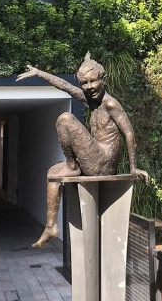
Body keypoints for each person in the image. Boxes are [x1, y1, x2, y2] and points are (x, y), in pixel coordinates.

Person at [16, 53, 148, 248]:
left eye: (93, 81)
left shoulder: (110, 104)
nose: (89, 87)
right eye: (84, 83)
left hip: (102, 163)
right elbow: (66, 86)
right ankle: (51, 227)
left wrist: (133, 168)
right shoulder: (92, 100)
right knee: (52, 173)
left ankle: (72, 165)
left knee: (65, 119)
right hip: (95, 160)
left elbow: (129, 132)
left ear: (104, 79)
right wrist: (39, 73)